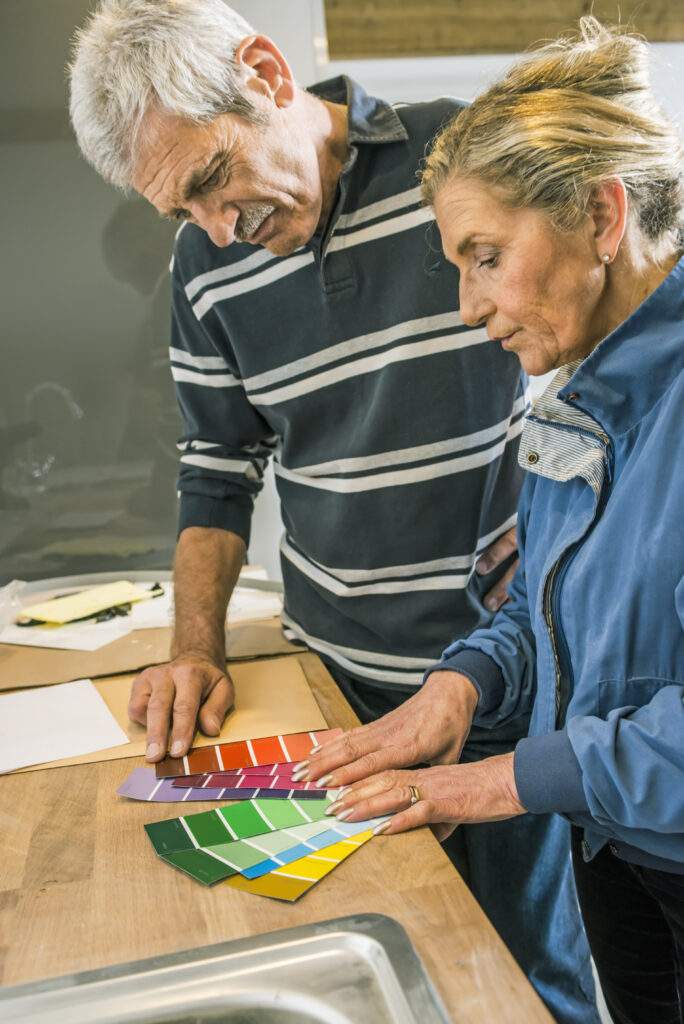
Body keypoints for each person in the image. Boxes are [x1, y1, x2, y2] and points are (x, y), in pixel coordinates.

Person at [68, 4, 599, 1020]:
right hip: (336, 689)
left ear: (267, 73)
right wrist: (195, 646)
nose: (222, 230)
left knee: (530, 977)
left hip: (511, 679)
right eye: (185, 212)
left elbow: (591, 360)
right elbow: (218, 465)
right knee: (380, 958)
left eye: (213, 179)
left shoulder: (466, 167)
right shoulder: (206, 266)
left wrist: (571, 522)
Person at [301, 17, 684, 1024]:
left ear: (603, 215)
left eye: (485, 257)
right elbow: (552, 611)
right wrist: (463, 687)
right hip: (614, 844)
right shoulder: (575, 394)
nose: (469, 308)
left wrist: (499, 782)